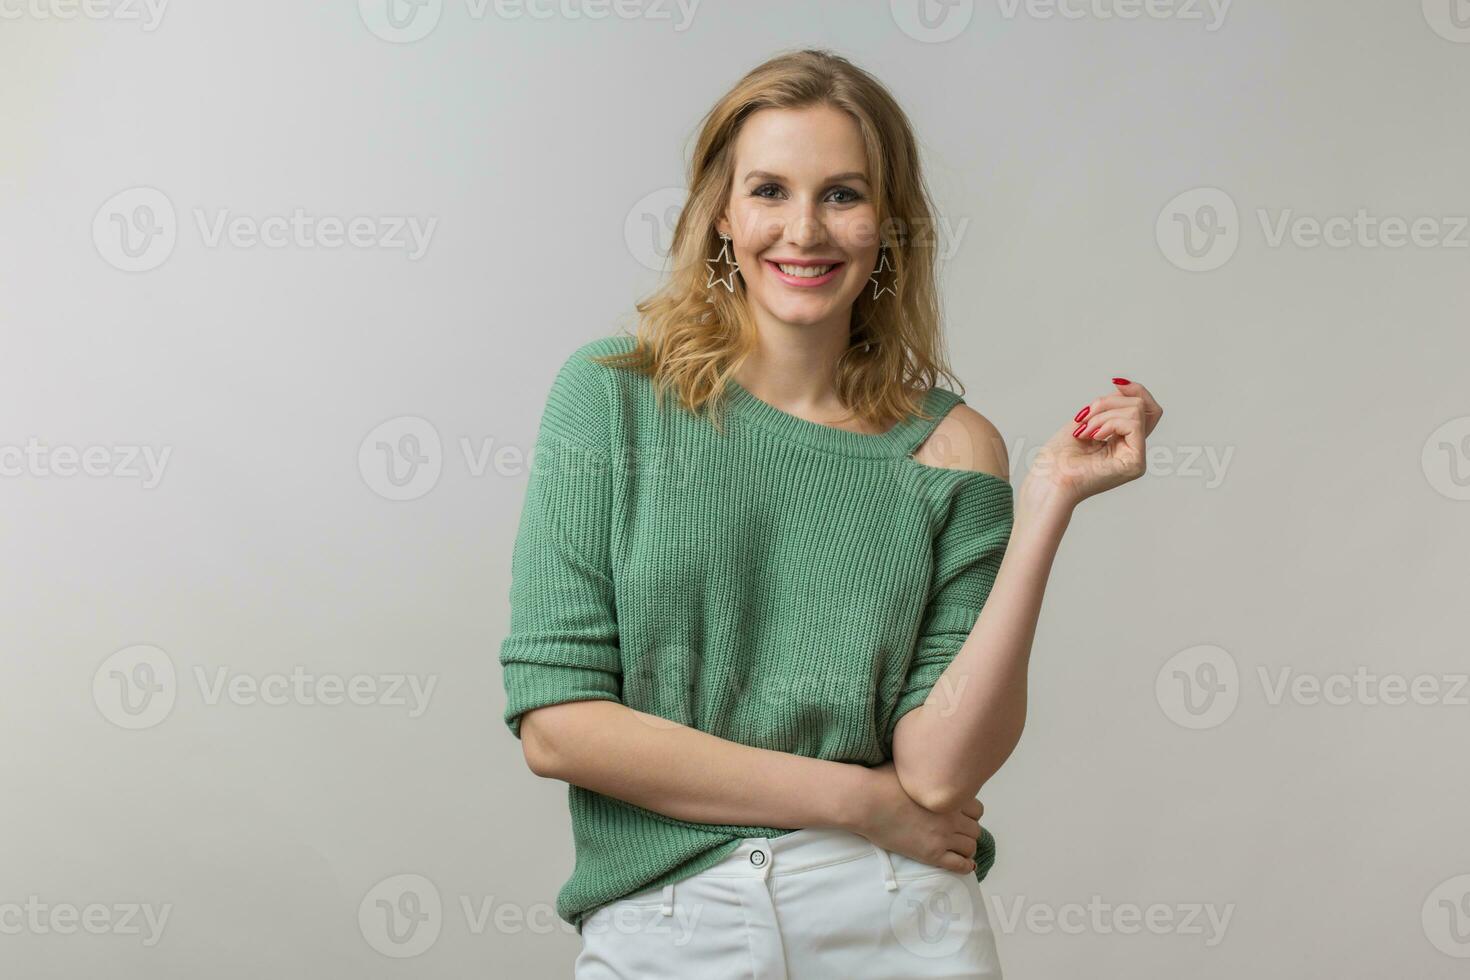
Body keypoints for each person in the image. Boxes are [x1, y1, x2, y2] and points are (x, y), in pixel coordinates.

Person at [499, 47, 1164, 979]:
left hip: (896, 916)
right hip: (669, 922)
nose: (804, 230)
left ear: (889, 227)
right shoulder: (610, 398)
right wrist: (858, 801)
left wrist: (1049, 497)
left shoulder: (956, 446)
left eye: (843, 195)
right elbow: (559, 726)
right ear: (721, 215)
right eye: (770, 190)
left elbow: (936, 773)